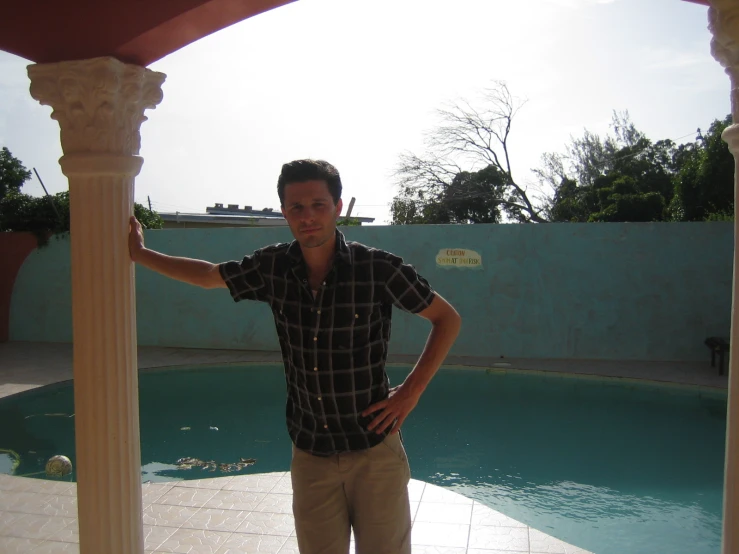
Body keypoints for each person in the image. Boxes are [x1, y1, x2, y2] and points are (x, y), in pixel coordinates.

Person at [128, 159, 462, 554]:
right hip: (311, 456)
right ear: (284, 212)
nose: (308, 217)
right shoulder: (273, 267)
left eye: (319, 205)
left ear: (338, 208)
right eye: (297, 208)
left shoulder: (378, 268)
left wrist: (411, 390)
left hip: (374, 452)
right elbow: (207, 275)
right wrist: (139, 254)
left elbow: (446, 319)